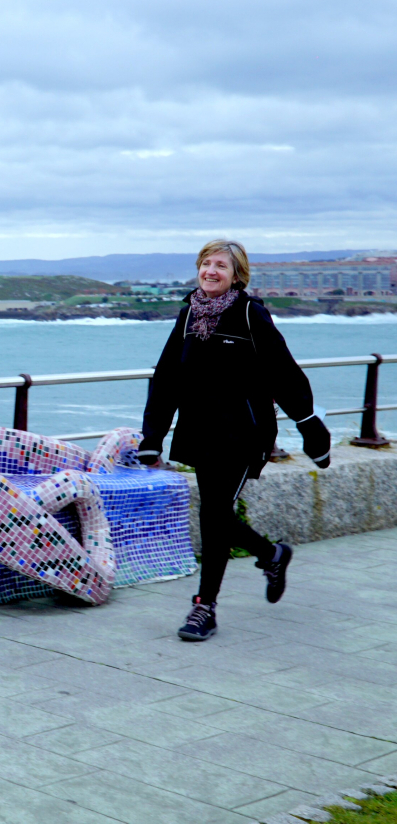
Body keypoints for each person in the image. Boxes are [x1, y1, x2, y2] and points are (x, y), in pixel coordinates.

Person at [137, 240, 331, 641]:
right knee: (216, 513)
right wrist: (152, 436)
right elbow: (167, 377)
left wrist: (310, 425)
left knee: (213, 513)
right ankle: (271, 554)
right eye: (205, 263)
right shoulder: (189, 313)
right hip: (199, 431)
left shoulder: (249, 314)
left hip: (244, 432)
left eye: (220, 265)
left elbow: (284, 372)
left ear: (236, 275)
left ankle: (203, 607)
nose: (210, 271)